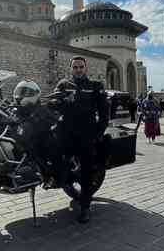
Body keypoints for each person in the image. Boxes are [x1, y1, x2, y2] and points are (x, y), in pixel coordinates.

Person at [54, 56, 108, 224]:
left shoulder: (94, 86)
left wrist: (99, 130)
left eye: (81, 67)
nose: (78, 69)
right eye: (75, 67)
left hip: (86, 134)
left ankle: (85, 207)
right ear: (71, 68)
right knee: (57, 161)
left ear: (86, 68)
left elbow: (104, 110)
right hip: (65, 133)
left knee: (86, 171)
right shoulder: (63, 85)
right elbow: (54, 102)